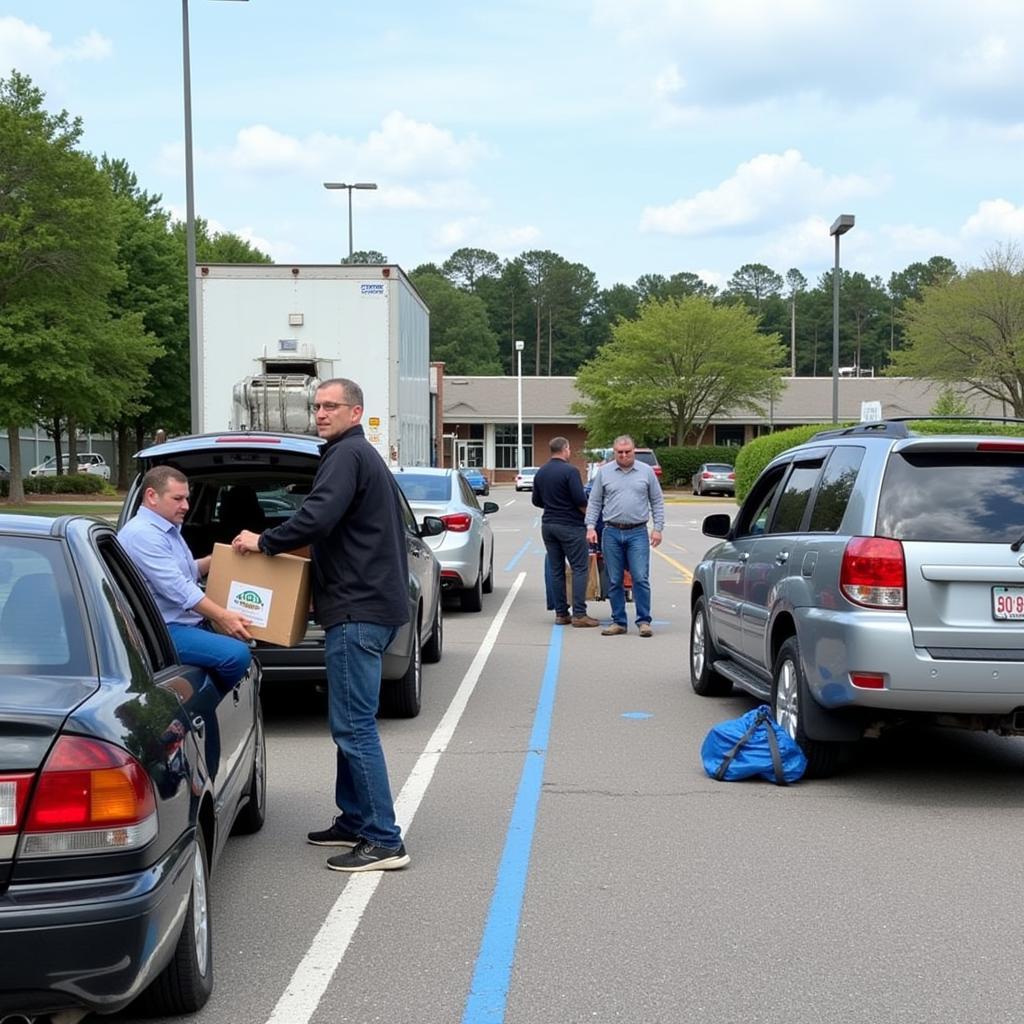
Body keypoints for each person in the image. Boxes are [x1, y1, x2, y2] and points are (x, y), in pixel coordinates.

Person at [232, 377, 411, 873]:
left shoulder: (346, 456)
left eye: (332, 406)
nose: (322, 413)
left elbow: (318, 516)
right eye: (317, 406)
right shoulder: (354, 456)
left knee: (354, 728)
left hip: (357, 612)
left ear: (357, 412)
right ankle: (354, 818)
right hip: (365, 608)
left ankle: (383, 840)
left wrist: (263, 541)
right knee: (349, 724)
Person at [118, 466, 253, 692]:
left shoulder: (167, 529)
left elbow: (189, 571)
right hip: (163, 630)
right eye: (178, 499)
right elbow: (179, 588)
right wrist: (223, 617)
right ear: (152, 496)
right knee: (236, 656)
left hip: (186, 623)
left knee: (248, 637)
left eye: (187, 499)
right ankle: (204, 704)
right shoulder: (142, 535)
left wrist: (227, 555)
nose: (186, 506)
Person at [585, 435, 665, 637]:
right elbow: (594, 502)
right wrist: (590, 527)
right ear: (615, 453)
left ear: (633, 450)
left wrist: (658, 528)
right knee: (614, 579)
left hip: (637, 532)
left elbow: (657, 501)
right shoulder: (604, 473)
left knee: (640, 577)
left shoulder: (646, 472)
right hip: (611, 532)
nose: (623, 455)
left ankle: (644, 621)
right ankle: (619, 621)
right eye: (619, 452)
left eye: (627, 452)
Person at [532, 437, 599, 627]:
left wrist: (552, 503)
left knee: (556, 570)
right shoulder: (570, 471)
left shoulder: (541, 472)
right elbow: (580, 499)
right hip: (570, 526)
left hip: (548, 525)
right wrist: (590, 518)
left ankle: (561, 613)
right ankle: (579, 614)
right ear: (565, 449)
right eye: (569, 449)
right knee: (579, 568)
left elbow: (536, 501)